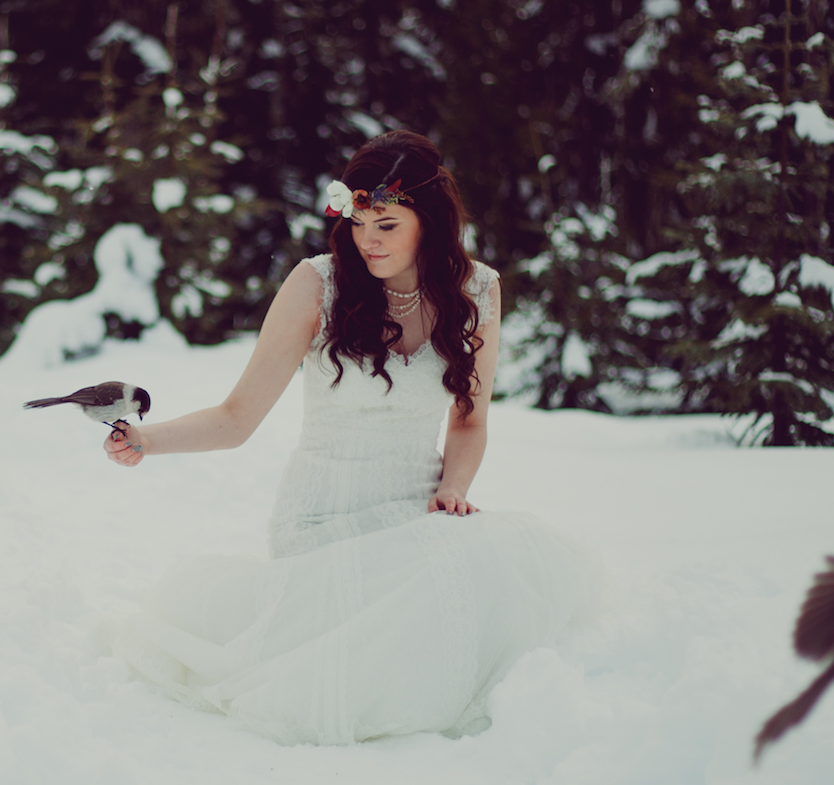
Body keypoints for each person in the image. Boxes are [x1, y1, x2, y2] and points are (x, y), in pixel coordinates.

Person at [106, 130, 598, 745]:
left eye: (387, 224)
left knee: (490, 562)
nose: (368, 239)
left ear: (430, 220)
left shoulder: (477, 291)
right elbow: (237, 417)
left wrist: (453, 488)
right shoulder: (319, 285)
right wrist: (148, 440)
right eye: (359, 220)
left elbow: (470, 419)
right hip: (322, 520)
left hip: (416, 514)